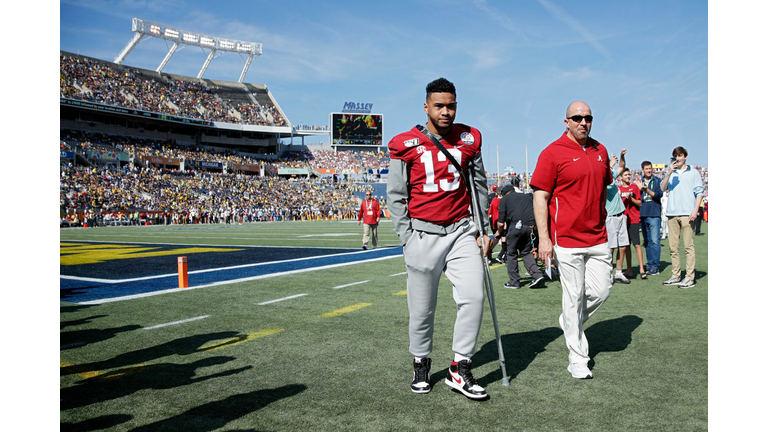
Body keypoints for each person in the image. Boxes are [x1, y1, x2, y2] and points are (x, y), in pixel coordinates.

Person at [387, 77, 490, 399]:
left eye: (451, 106)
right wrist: (407, 237)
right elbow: (396, 195)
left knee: (473, 297)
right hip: (423, 233)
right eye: (439, 106)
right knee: (422, 310)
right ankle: (421, 361)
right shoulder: (405, 143)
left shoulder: (468, 138)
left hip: (460, 231)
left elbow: (480, 187)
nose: (446, 112)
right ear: (426, 107)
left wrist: (483, 228)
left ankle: (460, 368)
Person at [531, 101, 613, 380]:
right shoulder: (552, 153)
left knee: (601, 292)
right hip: (565, 239)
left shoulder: (601, 151)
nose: (583, 122)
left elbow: (603, 190)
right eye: (577, 117)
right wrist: (544, 239)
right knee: (573, 295)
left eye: (588, 118)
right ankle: (578, 359)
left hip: (598, 237)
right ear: (566, 121)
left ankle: (569, 321)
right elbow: (540, 196)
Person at [660, 146, 703, 288]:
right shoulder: (672, 173)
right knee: (673, 248)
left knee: (688, 247)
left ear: (685, 156)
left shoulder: (694, 173)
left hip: (687, 214)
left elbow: (699, 193)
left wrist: (695, 210)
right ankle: (676, 275)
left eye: (679, 155)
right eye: (675, 156)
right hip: (672, 213)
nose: (677, 158)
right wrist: (669, 173)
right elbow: (662, 188)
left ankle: (690, 277)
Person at [498, 177, 544, 289]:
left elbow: (500, 223)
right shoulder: (526, 196)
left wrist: (499, 233)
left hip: (516, 227)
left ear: (504, 193)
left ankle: (514, 281)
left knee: (511, 253)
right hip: (530, 227)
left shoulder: (505, 199)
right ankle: (537, 275)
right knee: (526, 252)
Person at [605, 150, 631, 284]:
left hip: (620, 215)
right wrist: (610, 165)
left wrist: (622, 157)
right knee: (611, 247)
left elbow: (621, 167)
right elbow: (606, 178)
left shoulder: (611, 174)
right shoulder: (604, 178)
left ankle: (619, 272)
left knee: (623, 245)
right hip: (611, 217)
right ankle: (609, 273)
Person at [637, 161, 663, 276]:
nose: (649, 170)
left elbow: (658, 195)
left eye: (650, 168)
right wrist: (638, 189)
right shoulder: (639, 181)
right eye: (647, 168)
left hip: (654, 214)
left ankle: (655, 266)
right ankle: (650, 263)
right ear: (643, 170)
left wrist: (646, 190)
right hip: (643, 214)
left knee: (655, 241)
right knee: (647, 242)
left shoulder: (657, 181)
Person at [619, 167, 644, 279]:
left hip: (633, 219)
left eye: (629, 174)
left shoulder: (634, 187)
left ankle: (641, 269)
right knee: (626, 246)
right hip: (623, 220)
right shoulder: (618, 189)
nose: (628, 177)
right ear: (621, 177)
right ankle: (629, 269)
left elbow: (639, 203)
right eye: (626, 175)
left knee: (637, 244)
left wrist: (631, 199)